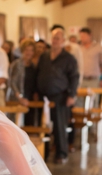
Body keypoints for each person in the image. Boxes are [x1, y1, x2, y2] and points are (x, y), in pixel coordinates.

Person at [36, 28, 79, 164]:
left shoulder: (69, 58)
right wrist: (36, 91)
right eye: (53, 38)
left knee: (60, 125)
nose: (55, 41)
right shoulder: (44, 56)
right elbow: (38, 73)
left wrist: (71, 95)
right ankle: (45, 152)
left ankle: (61, 153)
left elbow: (74, 77)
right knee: (43, 125)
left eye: (58, 38)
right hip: (44, 96)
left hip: (60, 96)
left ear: (63, 41)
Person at [8, 38, 39, 126]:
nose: (29, 52)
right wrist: (20, 97)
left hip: (30, 100)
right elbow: (12, 83)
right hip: (17, 99)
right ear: (22, 50)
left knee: (30, 125)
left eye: (31, 50)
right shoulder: (16, 64)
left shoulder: (33, 66)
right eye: (27, 50)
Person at [79, 27, 102, 107]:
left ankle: (93, 118)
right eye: (81, 36)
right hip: (81, 79)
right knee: (79, 102)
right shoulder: (79, 48)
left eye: (84, 36)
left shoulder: (98, 47)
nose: (82, 38)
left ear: (90, 35)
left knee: (94, 101)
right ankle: (80, 118)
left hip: (94, 79)